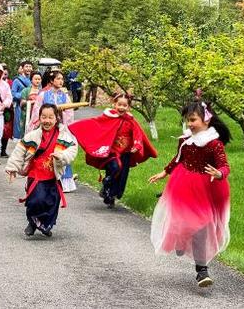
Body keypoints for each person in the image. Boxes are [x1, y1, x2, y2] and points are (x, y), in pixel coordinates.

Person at [148, 101, 232, 287]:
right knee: (183, 220)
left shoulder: (214, 144)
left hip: (207, 188)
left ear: (206, 120)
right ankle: (181, 238)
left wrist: (220, 174)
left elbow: (225, 166)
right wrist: (164, 172)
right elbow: (178, 158)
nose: (189, 124)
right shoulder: (185, 140)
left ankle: (201, 270)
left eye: (193, 119)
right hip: (183, 184)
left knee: (202, 226)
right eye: (187, 120)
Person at [68, 92, 157, 208]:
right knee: (115, 168)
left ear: (128, 107)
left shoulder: (131, 121)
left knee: (121, 176)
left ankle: (110, 195)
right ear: (114, 104)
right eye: (119, 104)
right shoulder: (108, 117)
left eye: (124, 105)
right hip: (112, 152)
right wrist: (77, 126)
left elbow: (138, 134)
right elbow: (95, 123)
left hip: (125, 153)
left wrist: (137, 145)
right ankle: (106, 184)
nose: (121, 107)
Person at [6, 104, 78, 237]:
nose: (47, 120)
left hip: (52, 177)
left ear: (57, 118)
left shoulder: (64, 137)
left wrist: (61, 156)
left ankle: (44, 225)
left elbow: (72, 150)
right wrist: (12, 168)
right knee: (36, 200)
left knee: (52, 204)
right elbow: (19, 151)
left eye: (51, 117)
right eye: (44, 117)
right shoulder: (32, 136)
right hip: (36, 176)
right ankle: (33, 223)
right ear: (39, 118)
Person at [29, 71, 76, 192]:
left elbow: (70, 113)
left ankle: (64, 181)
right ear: (51, 81)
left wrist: (63, 117)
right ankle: (44, 177)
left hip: (60, 127)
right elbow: (37, 111)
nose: (61, 81)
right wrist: (38, 123)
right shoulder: (43, 95)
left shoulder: (65, 96)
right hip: (46, 128)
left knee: (61, 152)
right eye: (58, 79)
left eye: (62, 79)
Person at [11, 60, 33, 141]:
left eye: (30, 66)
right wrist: (24, 95)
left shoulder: (34, 79)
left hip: (32, 106)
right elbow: (13, 94)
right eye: (26, 66)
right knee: (20, 125)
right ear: (22, 68)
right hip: (20, 106)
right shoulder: (17, 80)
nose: (28, 68)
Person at [0, 63, 14, 158]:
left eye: (6, 74)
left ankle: (3, 150)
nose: (4, 75)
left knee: (7, 130)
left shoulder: (10, 82)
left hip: (8, 109)